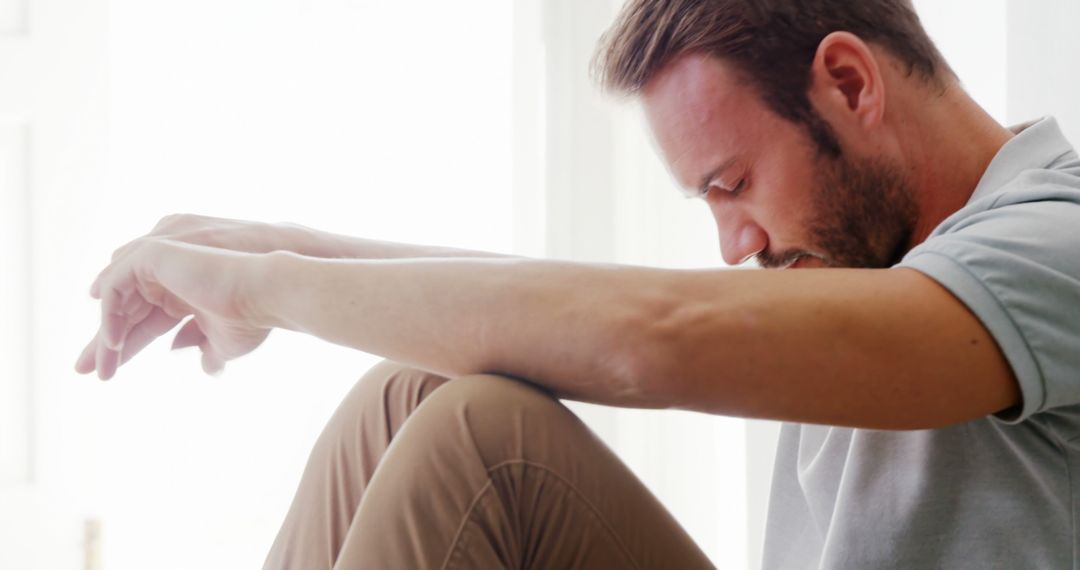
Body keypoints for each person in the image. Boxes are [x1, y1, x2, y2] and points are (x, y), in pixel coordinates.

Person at [76, 0, 1080, 568]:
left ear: (852, 84)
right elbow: (579, 307)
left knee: (485, 446)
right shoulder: (868, 258)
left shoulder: (1054, 234)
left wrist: (260, 288)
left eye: (732, 187)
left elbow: (645, 334)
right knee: (413, 391)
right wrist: (279, 247)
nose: (736, 245)